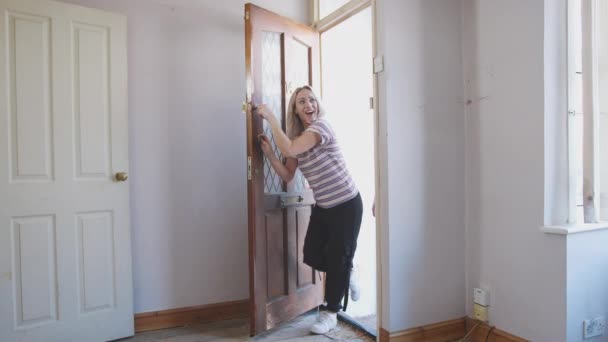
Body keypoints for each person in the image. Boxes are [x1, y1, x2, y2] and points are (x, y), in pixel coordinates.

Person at [256, 85, 363, 335]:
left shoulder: (321, 127)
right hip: (324, 206)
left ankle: (331, 313)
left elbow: (291, 149)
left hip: (347, 203)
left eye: (312, 100)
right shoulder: (296, 140)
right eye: (302, 101)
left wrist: (270, 117)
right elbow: (287, 172)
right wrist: (270, 154)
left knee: (337, 258)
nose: (309, 105)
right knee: (312, 253)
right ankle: (347, 269)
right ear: (295, 109)